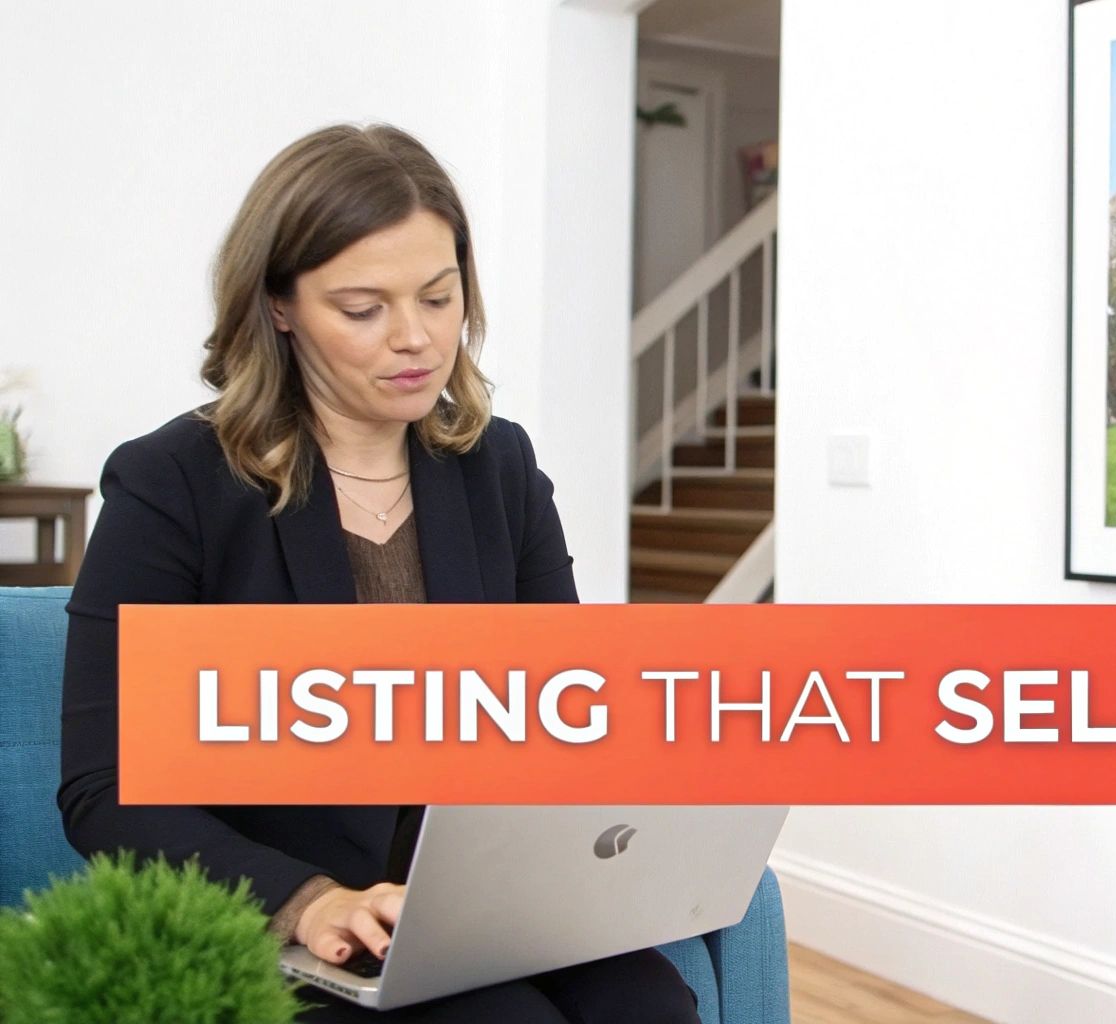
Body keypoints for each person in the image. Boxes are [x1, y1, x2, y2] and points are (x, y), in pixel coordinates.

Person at [59, 124, 699, 1023]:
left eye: (439, 298)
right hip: (293, 920)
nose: (415, 339)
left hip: (478, 906)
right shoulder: (173, 483)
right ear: (278, 306)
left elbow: (562, 710)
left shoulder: (497, 466)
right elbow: (104, 789)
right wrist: (309, 899)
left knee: (650, 1006)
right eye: (362, 309)